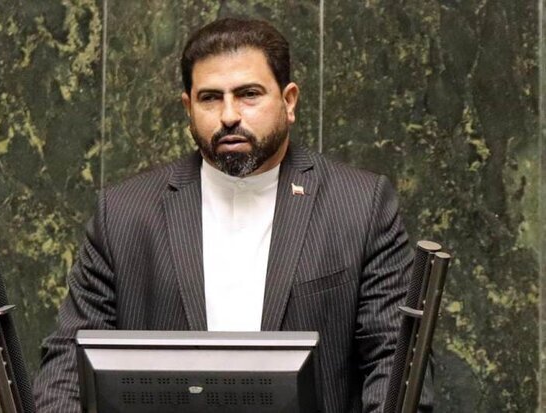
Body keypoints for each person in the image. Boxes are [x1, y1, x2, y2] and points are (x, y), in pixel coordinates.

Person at [34, 17, 431, 412]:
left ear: (289, 101)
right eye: (210, 98)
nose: (228, 115)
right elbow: (68, 365)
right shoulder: (124, 213)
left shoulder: (360, 205)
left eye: (248, 94)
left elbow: (394, 358)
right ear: (188, 107)